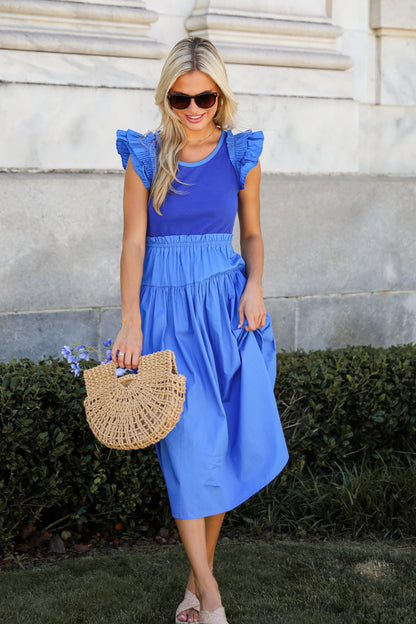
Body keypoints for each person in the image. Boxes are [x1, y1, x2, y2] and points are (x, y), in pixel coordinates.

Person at [112, 36, 289, 624]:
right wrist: (130, 320)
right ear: (167, 96)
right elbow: (134, 242)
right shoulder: (145, 155)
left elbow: (254, 234)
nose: (193, 110)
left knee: (217, 447)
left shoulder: (240, 154)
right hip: (165, 313)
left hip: (225, 309)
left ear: (220, 96)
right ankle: (211, 596)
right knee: (187, 450)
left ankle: (192, 586)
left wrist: (255, 285)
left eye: (204, 98)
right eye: (181, 98)